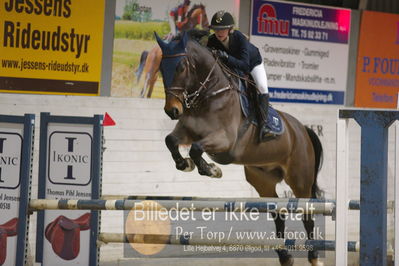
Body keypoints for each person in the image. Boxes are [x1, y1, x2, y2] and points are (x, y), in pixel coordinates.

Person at [207, 10, 271, 142]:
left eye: (222, 29)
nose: (219, 32)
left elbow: (245, 66)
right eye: (216, 29)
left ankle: (264, 125)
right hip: (231, 67)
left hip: (252, 63)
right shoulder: (212, 40)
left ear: (230, 29)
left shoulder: (239, 38)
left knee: (262, 87)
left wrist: (226, 57)